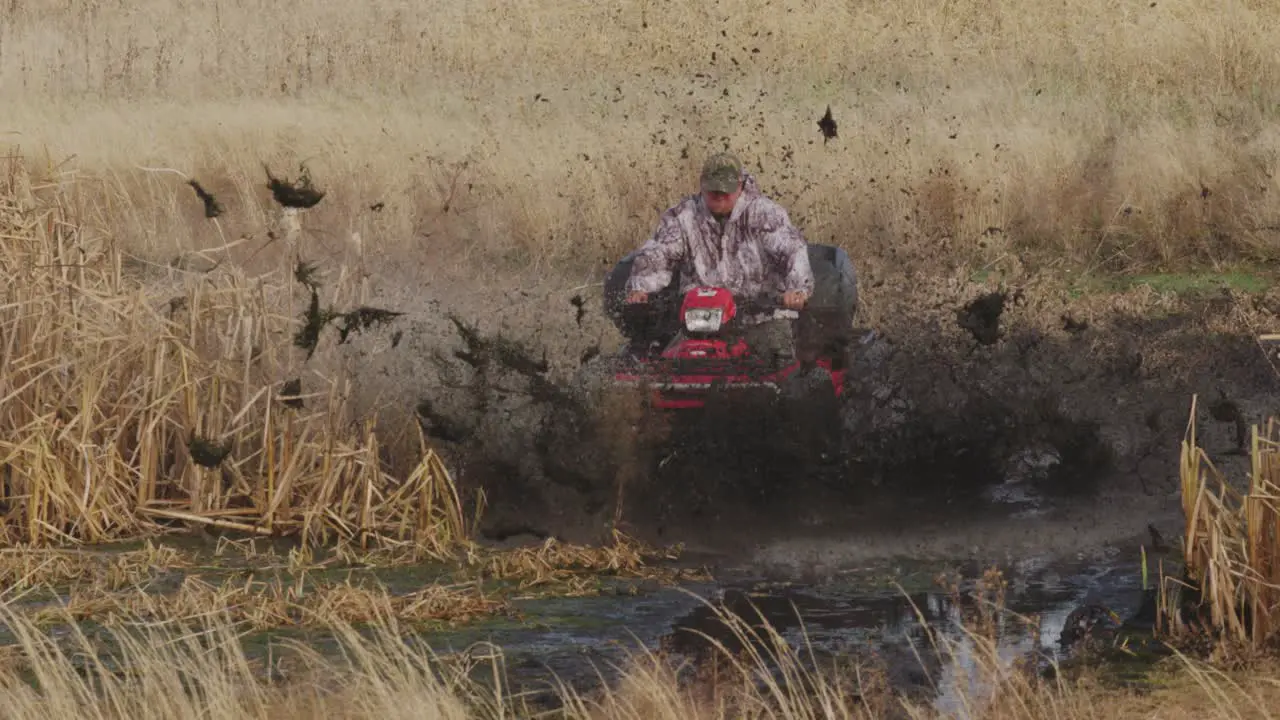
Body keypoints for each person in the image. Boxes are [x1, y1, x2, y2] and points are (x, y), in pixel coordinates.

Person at [623, 152, 814, 368]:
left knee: (779, 368)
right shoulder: (683, 216)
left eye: (726, 189)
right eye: (713, 189)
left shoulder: (765, 214)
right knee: (664, 366)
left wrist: (798, 289)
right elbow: (659, 252)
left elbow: (792, 250)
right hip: (698, 324)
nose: (720, 194)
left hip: (759, 318)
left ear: (740, 185)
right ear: (702, 185)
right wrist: (641, 287)